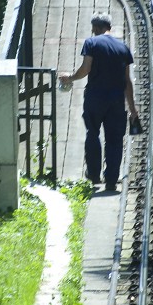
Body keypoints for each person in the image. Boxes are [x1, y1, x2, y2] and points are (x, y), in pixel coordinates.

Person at [58, 13, 140, 191]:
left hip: (95, 97)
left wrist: (70, 78)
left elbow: (86, 69)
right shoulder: (123, 48)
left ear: (95, 28)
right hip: (117, 100)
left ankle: (94, 175)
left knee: (93, 133)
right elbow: (127, 81)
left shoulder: (91, 43)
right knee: (115, 139)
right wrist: (133, 109)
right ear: (108, 26)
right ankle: (111, 180)